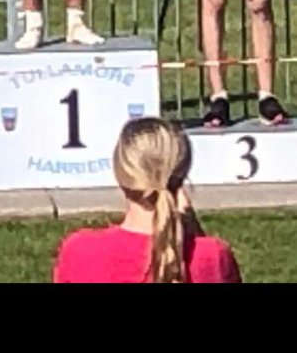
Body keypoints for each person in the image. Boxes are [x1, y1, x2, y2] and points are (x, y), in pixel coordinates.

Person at [53, 117, 241, 283]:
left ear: (122, 173)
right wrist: (193, 228)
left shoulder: (80, 253)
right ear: (182, 174)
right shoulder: (213, 256)